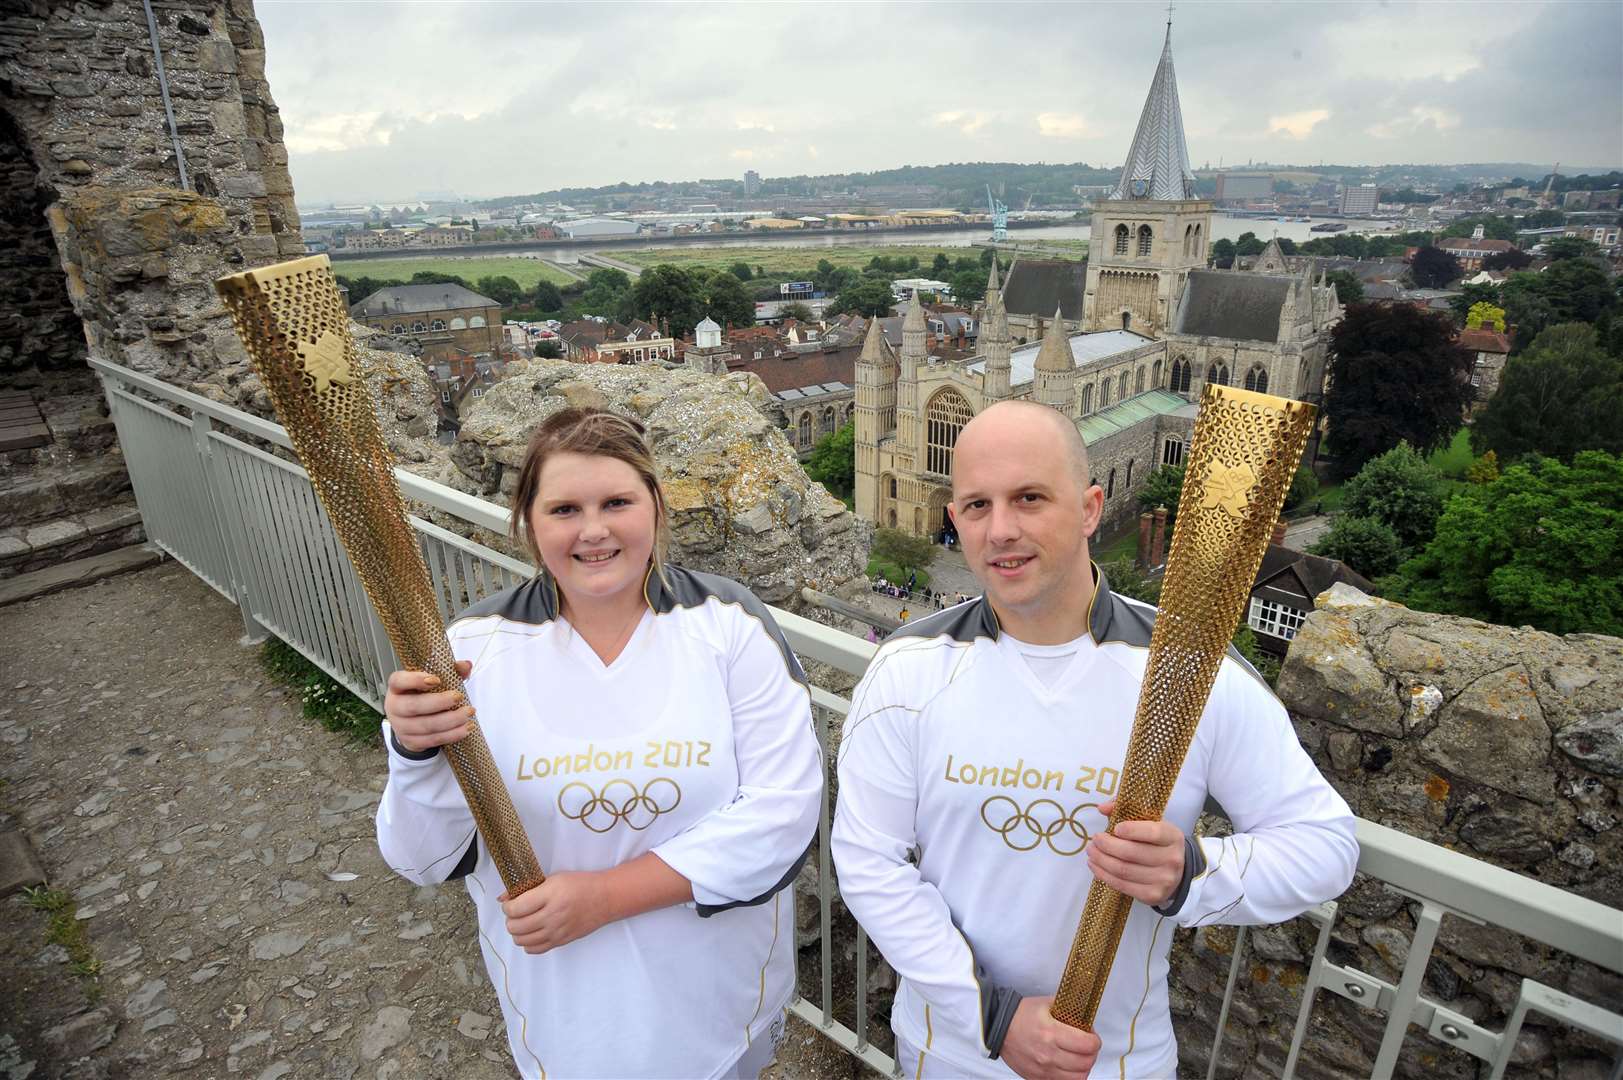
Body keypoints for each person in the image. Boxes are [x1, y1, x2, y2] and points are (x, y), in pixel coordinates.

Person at [831, 400, 1357, 1080]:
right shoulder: (907, 667)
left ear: (1088, 508)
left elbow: (1323, 845)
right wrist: (994, 1016)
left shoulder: (1194, 672)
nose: (1001, 530)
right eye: (975, 506)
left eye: (1028, 498)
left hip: (1115, 1063)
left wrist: (1191, 873)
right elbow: (870, 863)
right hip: (949, 1050)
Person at [376, 407, 822, 1080]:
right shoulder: (471, 650)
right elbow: (420, 858)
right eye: (563, 509)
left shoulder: (728, 626)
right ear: (528, 522)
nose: (593, 531)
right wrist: (414, 754)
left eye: (616, 501)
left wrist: (605, 896)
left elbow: (782, 813)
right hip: (566, 1010)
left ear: (655, 506)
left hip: (716, 1002)